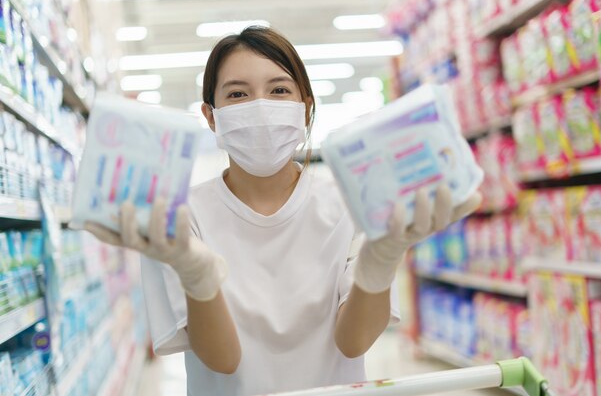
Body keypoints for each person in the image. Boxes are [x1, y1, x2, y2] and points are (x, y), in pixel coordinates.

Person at [85, 26, 481, 396]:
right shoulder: (177, 220)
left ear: (305, 108)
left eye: (278, 90)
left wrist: (382, 260)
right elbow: (223, 361)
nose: (260, 107)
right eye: (238, 95)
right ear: (211, 116)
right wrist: (197, 277)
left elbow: (353, 341)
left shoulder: (351, 203)